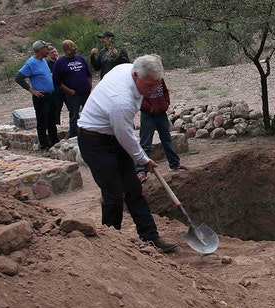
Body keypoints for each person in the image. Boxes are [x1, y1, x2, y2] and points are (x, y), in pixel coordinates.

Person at [76, 54, 179, 253]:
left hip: (112, 134)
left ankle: (150, 237)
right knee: (113, 194)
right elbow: (125, 135)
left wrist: (140, 158)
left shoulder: (128, 70)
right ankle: (111, 245)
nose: (151, 91)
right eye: (148, 86)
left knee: (134, 189)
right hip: (94, 140)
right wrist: (143, 159)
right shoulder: (120, 100)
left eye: (155, 86)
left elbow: (122, 134)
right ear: (135, 75)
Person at [135, 78, 188, 183]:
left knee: (167, 140)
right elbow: (138, 97)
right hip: (148, 116)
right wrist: (149, 109)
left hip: (161, 114)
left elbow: (165, 91)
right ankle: (140, 171)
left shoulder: (159, 78)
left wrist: (166, 103)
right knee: (145, 143)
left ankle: (174, 164)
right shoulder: (141, 79)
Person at [15, 40, 59, 152]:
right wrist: (31, 90)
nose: (47, 50)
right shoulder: (31, 63)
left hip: (50, 95)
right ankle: (44, 145)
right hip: (41, 97)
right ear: (39, 50)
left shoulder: (44, 61)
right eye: (45, 48)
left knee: (51, 121)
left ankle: (55, 142)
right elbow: (19, 77)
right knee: (42, 121)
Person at [52, 39, 92, 138]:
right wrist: (68, 90)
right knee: (74, 115)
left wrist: (89, 85)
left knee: (90, 112)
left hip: (85, 92)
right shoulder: (60, 62)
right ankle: (74, 135)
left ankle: (91, 132)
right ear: (67, 49)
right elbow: (57, 81)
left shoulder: (80, 58)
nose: (75, 48)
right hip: (73, 94)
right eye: (73, 46)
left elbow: (88, 74)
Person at [46, 46, 66, 126]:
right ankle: (57, 126)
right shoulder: (47, 64)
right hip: (56, 90)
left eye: (55, 52)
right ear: (48, 55)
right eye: (52, 53)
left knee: (72, 108)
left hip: (67, 88)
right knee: (57, 109)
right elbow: (52, 75)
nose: (54, 54)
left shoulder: (63, 60)